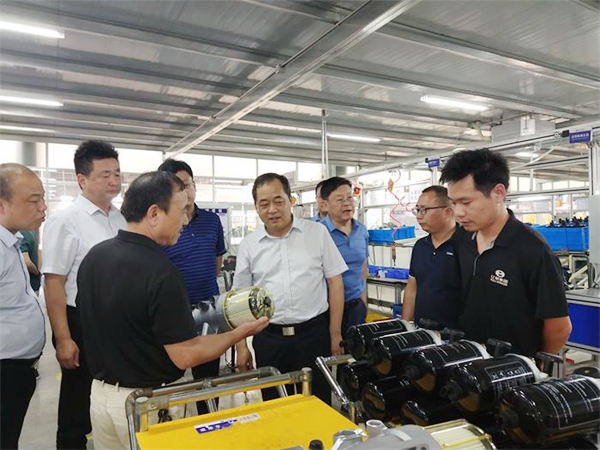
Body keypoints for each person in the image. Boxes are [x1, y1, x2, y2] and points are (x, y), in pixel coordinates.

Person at [76, 171, 268, 449]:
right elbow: (185, 354)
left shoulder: (96, 256)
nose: (186, 221)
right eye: (181, 211)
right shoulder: (160, 272)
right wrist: (239, 333)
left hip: (101, 398)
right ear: (154, 213)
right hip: (148, 405)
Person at [440, 149, 572, 356]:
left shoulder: (533, 249)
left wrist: (535, 366)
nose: (458, 212)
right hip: (467, 360)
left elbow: (559, 326)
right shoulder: (462, 240)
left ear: (498, 193)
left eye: (466, 202)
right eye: (453, 203)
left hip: (513, 368)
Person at [233, 173, 347, 404]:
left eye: (278, 201)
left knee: (318, 404)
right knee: (276, 405)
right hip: (269, 339)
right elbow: (239, 299)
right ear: (256, 207)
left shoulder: (317, 233)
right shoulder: (249, 245)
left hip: (313, 336)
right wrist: (241, 346)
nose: (272, 210)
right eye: (264, 204)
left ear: (290, 200)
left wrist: (335, 333)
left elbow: (335, 282)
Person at [42, 140, 126, 449]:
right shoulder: (65, 221)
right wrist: (63, 338)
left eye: (117, 173)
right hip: (81, 321)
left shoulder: (120, 219)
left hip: (115, 322)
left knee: (109, 394)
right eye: (105, 174)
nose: (114, 181)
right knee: (77, 400)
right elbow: (54, 283)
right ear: (82, 179)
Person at [158, 159, 227, 415]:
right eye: (177, 186)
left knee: (208, 381)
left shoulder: (211, 221)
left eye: (187, 184)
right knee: (168, 378)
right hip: (171, 313)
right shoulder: (161, 225)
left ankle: (209, 424)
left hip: (208, 311)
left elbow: (216, 263)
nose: (185, 191)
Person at [0, 163, 46, 449]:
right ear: (2, 205)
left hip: (16, 370)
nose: (43, 207)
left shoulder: (11, 242)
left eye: (43, 198)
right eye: (33, 200)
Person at [401, 186, 461, 329]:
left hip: (454, 334)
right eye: (417, 210)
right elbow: (412, 288)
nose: (418, 216)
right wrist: (405, 325)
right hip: (422, 330)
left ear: (447, 211)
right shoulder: (420, 246)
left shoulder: (467, 245)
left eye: (424, 210)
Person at [319, 176, 369, 337]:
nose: (347, 203)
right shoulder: (318, 232)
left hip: (356, 306)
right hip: (326, 309)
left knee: (356, 349)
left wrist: (363, 302)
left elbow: (363, 269)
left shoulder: (361, 230)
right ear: (325, 204)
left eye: (350, 198)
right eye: (340, 199)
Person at [19, 229, 41, 294]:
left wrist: (37, 273)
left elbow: (27, 263)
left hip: (29, 286)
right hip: (33, 285)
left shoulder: (21, 234)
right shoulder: (31, 232)